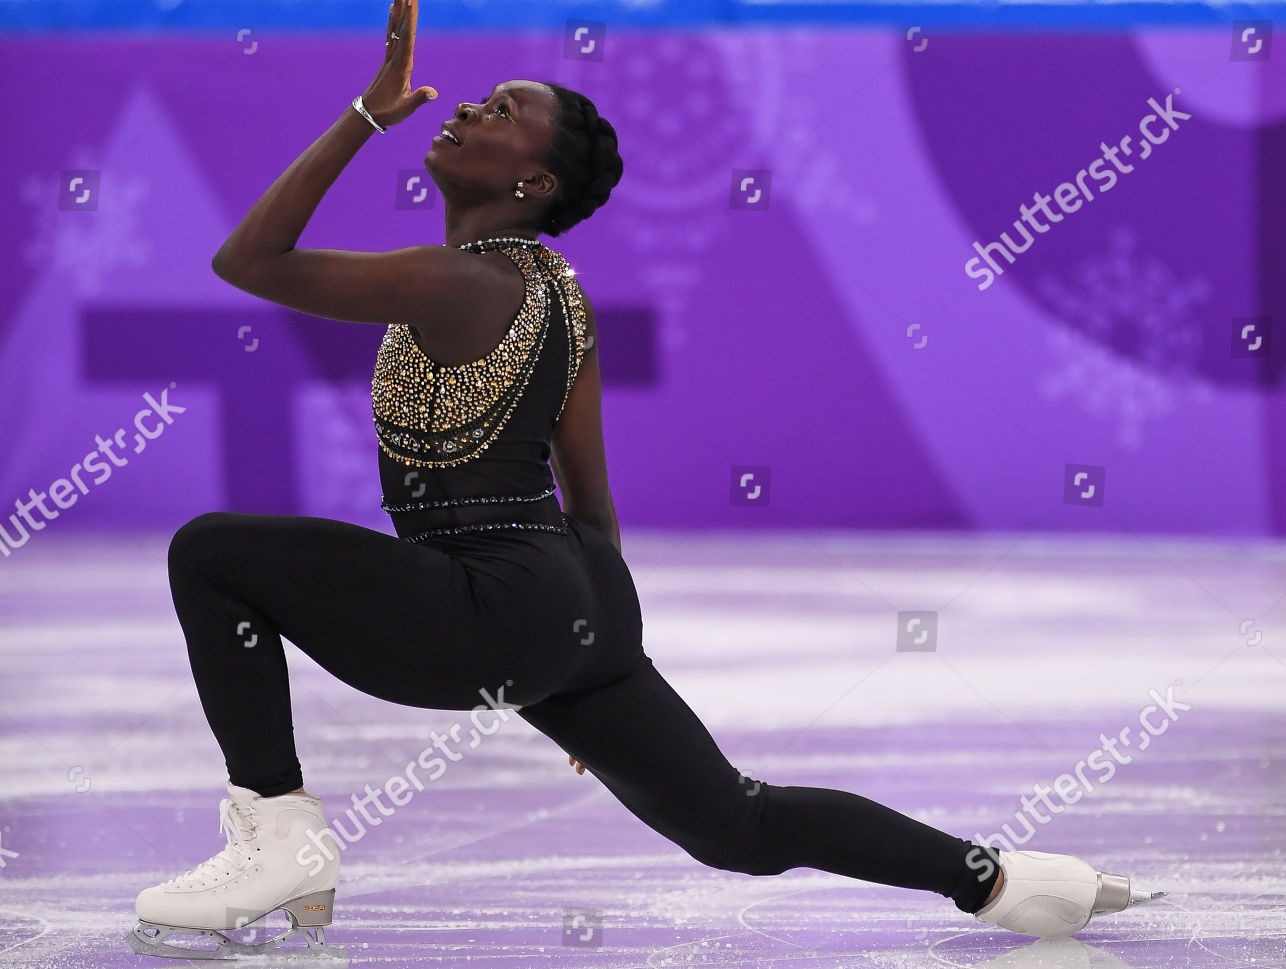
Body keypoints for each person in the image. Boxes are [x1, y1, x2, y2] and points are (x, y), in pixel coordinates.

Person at [125, 0, 1157, 958]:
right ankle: (1008, 881)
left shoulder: (457, 278)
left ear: (531, 185)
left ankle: (278, 833)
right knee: (737, 823)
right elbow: (594, 498)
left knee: (211, 554)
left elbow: (248, 261)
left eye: (502, 114)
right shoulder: (562, 294)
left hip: (490, 597)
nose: (470, 108)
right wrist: (587, 665)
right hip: (571, 592)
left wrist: (363, 114)